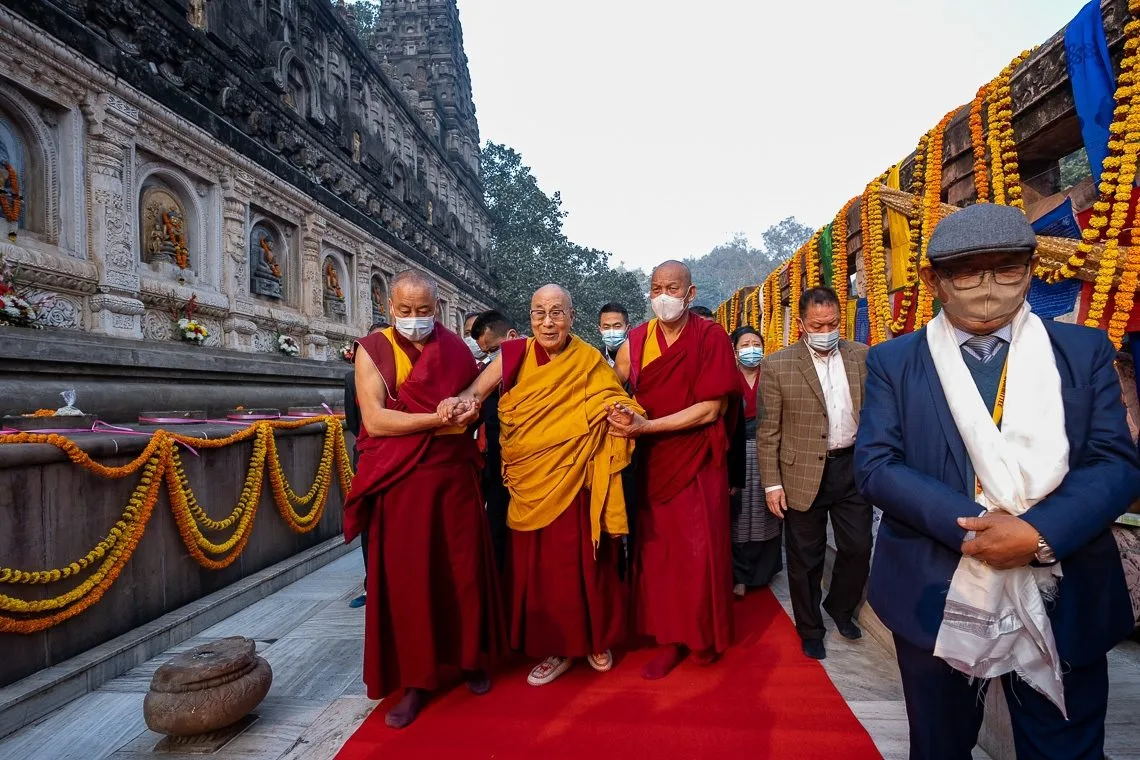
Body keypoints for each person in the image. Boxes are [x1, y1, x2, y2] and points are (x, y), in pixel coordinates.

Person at [855, 203, 1140, 760]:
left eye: (1006, 269)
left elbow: (1115, 462)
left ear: (1031, 270)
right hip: (935, 583)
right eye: (967, 272)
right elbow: (877, 465)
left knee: (1065, 747)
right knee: (940, 744)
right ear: (933, 280)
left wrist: (1036, 533)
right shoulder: (895, 361)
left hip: (1065, 584)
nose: (988, 287)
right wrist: (972, 531)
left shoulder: (1082, 351)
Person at [448, 285, 640, 686]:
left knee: (586, 562)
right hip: (530, 480)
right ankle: (556, 646)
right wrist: (458, 404)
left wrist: (620, 414)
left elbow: (616, 401)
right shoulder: (512, 355)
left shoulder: (588, 359)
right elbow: (474, 393)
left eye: (556, 313)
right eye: (539, 314)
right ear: (529, 317)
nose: (548, 322)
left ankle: (593, 638)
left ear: (572, 316)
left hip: (578, 477)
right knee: (542, 570)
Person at [343, 270, 506, 729]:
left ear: (438, 308)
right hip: (402, 480)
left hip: (452, 477)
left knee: (463, 572)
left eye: (424, 311)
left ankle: (470, 658)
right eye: (406, 311)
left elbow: (468, 406)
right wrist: (436, 419)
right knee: (410, 580)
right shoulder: (373, 351)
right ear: (390, 307)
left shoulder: (454, 348)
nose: (415, 319)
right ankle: (416, 680)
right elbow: (375, 422)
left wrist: (466, 409)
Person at [609, 260, 740, 680]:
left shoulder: (710, 336)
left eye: (672, 287)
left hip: (697, 459)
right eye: (656, 287)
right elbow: (614, 388)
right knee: (660, 554)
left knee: (700, 553)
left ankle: (701, 637)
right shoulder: (636, 339)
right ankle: (667, 639)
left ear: (690, 293)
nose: (663, 295)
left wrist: (648, 426)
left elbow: (712, 409)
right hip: (652, 463)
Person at [756, 286, 871, 661]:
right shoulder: (778, 365)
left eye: (834, 323)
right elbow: (768, 430)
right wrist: (772, 483)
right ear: (803, 325)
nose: (827, 330)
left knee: (857, 547)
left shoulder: (862, 357)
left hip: (850, 468)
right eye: (818, 325)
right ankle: (810, 628)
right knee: (806, 557)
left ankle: (839, 606)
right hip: (801, 472)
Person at [729, 326, 781, 598]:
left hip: (769, 449)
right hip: (738, 450)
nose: (751, 349)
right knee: (739, 517)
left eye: (756, 343)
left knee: (765, 512)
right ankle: (739, 575)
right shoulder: (728, 377)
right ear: (735, 350)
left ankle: (763, 572)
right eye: (745, 344)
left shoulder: (772, 375)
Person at [470, 310, 521, 570]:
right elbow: (473, 402)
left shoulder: (542, 364)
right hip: (499, 465)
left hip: (540, 464)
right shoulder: (490, 373)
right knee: (498, 529)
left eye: (493, 350)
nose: (491, 358)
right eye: (487, 353)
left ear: (512, 336)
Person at [343, 321, 388, 609]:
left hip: (404, 456)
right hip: (370, 458)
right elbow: (353, 421)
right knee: (370, 524)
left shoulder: (404, 374)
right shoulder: (352, 379)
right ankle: (372, 585)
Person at [598, 302, 630, 367]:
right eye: (606, 327)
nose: (611, 332)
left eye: (617, 326)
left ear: (628, 328)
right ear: (600, 329)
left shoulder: (639, 355)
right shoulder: (596, 358)